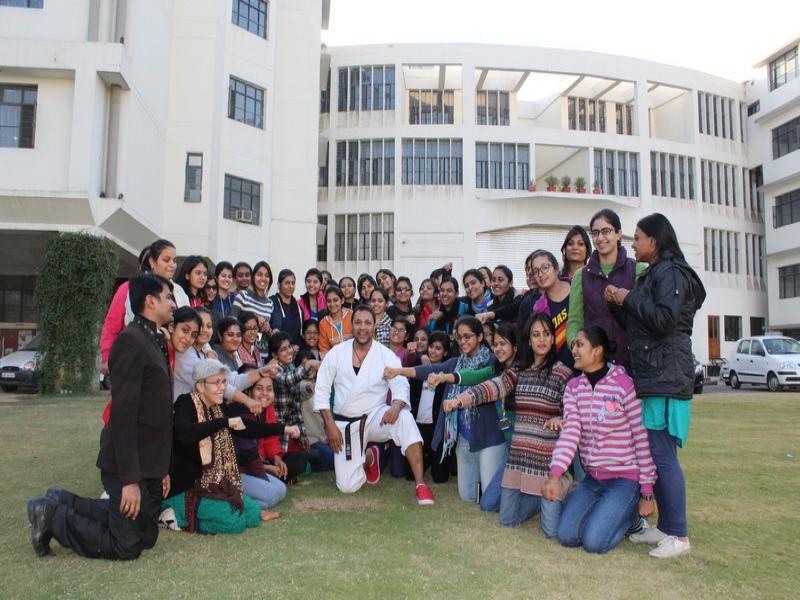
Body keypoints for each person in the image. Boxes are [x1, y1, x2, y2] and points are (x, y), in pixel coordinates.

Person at [27, 273, 176, 559]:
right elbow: (123, 415)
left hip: (149, 461)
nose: (173, 304)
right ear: (150, 300)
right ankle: (51, 514)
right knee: (127, 546)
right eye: (168, 297)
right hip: (126, 462)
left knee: (146, 536)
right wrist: (129, 480)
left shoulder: (153, 338)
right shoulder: (131, 341)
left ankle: (60, 500)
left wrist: (162, 468)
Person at [606, 213, 706, 559]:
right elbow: (640, 321)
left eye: (637, 237)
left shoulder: (672, 272)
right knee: (655, 453)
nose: (633, 244)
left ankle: (678, 535)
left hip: (667, 375)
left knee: (663, 455)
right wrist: (617, 304)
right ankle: (666, 527)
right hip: (653, 375)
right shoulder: (654, 273)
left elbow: (663, 320)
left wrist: (627, 297)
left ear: (655, 240)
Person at [445, 315, 571, 533]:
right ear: (528, 340)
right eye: (536, 335)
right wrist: (460, 400)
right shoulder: (519, 370)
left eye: (546, 334)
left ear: (553, 339)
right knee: (507, 520)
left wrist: (562, 419)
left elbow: (574, 412)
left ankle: (565, 484)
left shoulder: (563, 373)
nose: (541, 340)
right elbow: (493, 387)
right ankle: (537, 497)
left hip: (547, 462)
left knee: (550, 531)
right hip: (518, 459)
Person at [542, 327, 656, 555]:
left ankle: (632, 519)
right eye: (573, 345)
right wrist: (555, 476)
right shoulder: (573, 388)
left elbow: (642, 439)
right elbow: (570, 433)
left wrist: (647, 492)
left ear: (597, 351)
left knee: (593, 543)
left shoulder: (624, 385)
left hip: (624, 479)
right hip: (593, 479)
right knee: (566, 536)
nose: (574, 350)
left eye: (580, 345)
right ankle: (608, 514)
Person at [312, 305, 435, 504]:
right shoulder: (337, 353)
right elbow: (322, 390)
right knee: (347, 486)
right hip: (345, 423)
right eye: (358, 322)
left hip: (376, 418)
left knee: (405, 418)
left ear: (374, 326)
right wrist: (330, 425)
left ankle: (421, 484)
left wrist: (395, 407)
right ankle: (370, 457)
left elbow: (401, 385)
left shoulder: (385, 355)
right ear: (351, 325)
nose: (363, 327)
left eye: (368, 323)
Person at [163, 359, 300, 533]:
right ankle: (177, 516)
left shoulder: (217, 408)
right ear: (200, 387)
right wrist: (224, 423)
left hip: (215, 483)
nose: (222, 388)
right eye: (217, 383)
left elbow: (247, 427)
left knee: (252, 515)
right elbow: (184, 434)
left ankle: (206, 512)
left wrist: (284, 429)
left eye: (224, 382)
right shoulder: (185, 403)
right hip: (187, 487)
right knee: (235, 524)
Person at [387, 316, 500, 503]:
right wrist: (399, 371)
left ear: (480, 337)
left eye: (467, 336)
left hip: (488, 436)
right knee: (466, 496)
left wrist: (445, 377)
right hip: (464, 437)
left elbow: (472, 377)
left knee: (489, 499)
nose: (462, 341)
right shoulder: (456, 362)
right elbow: (428, 370)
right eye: (459, 337)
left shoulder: (492, 361)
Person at [567, 209, 644, 368]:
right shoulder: (581, 276)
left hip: (632, 364)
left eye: (606, 231)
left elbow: (645, 316)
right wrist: (578, 348)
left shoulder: (638, 269)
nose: (600, 238)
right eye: (595, 233)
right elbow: (575, 321)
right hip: (594, 367)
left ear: (619, 234)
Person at [99, 239, 187, 372]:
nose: (172, 265)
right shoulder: (129, 288)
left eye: (174, 261)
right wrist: (107, 359)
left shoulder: (179, 291)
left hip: (171, 365)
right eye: (166, 260)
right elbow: (111, 326)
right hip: (134, 361)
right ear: (152, 262)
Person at [235, 369, 291, 516]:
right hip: (234, 472)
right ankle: (230, 500)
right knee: (272, 496)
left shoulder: (261, 412)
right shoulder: (243, 414)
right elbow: (249, 458)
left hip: (251, 468)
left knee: (281, 491)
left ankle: (244, 499)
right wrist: (266, 471)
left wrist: (275, 460)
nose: (264, 394)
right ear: (248, 392)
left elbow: (271, 439)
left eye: (269, 389)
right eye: (259, 389)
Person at [405, 331, 453, 482]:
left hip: (436, 428)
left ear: (445, 352)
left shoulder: (447, 375)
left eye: (438, 348)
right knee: (410, 476)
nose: (433, 351)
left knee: (440, 478)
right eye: (431, 347)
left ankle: (435, 459)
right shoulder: (419, 370)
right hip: (417, 426)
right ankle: (424, 459)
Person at [268, 332, 317, 480]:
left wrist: (302, 433)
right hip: (275, 435)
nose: (289, 351)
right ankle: (276, 473)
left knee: (309, 459)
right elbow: (287, 380)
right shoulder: (273, 369)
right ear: (274, 355)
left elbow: (296, 406)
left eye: (289, 347)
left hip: (290, 433)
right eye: (283, 349)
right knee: (306, 461)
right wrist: (307, 364)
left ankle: (284, 473)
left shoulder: (289, 368)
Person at [530, 250, 573, 368]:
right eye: (536, 271)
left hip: (587, 365)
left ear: (556, 269)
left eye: (545, 267)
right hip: (558, 370)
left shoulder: (578, 288)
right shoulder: (539, 308)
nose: (540, 274)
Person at [231, 261, 274, 335]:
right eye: (259, 274)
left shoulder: (270, 304)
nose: (263, 278)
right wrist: (253, 319)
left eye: (267, 276)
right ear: (253, 277)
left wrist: (268, 329)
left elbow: (267, 333)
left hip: (261, 342)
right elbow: (231, 321)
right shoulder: (243, 296)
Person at [269, 269, 304, 346]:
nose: (290, 286)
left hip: (295, 351)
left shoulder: (299, 308)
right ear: (279, 285)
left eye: (293, 283)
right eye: (287, 283)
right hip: (277, 350)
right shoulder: (271, 302)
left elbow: (300, 335)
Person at [319, 285, 353, 357]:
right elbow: (324, 351)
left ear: (342, 300)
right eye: (329, 301)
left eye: (335, 300)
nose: (332, 304)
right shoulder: (323, 323)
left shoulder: (351, 316)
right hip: (334, 362)